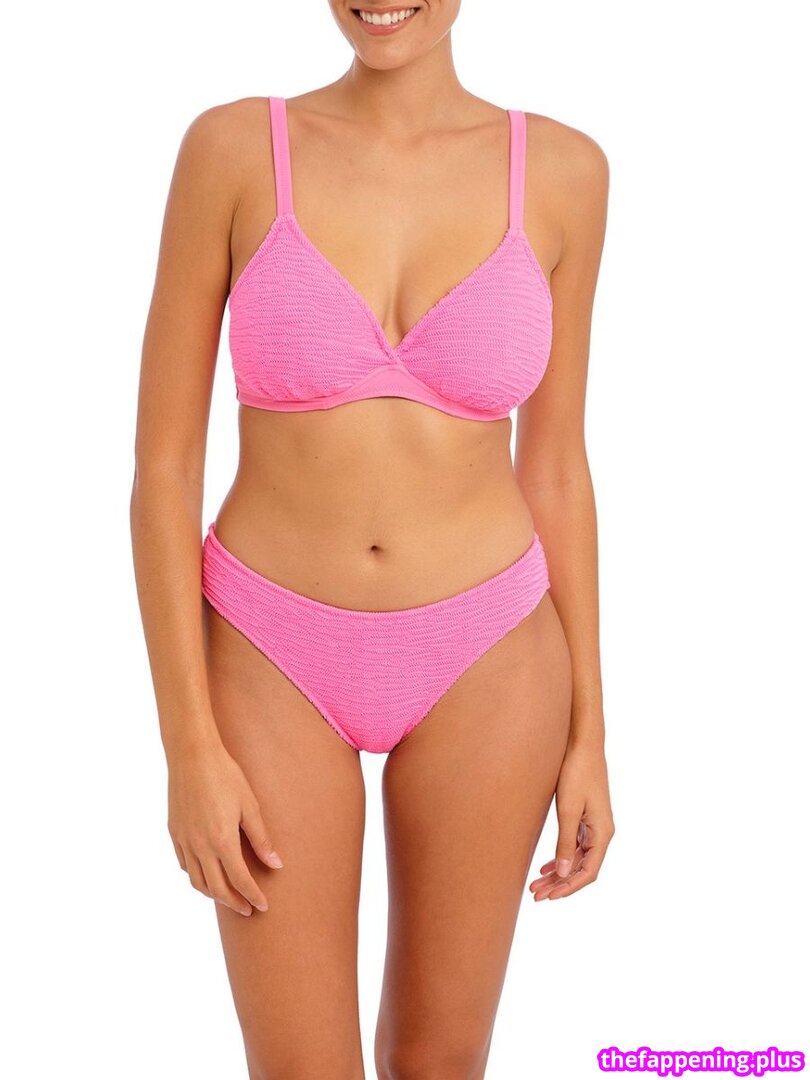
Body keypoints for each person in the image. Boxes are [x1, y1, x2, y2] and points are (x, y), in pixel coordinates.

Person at [131, 2, 615, 1076]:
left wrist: (591, 732)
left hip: (492, 653)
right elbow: (163, 469)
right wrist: (187, 746)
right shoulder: (233, 149)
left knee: (440, 1064)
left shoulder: (565, 173)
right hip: (268, 647)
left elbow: (556, 468)